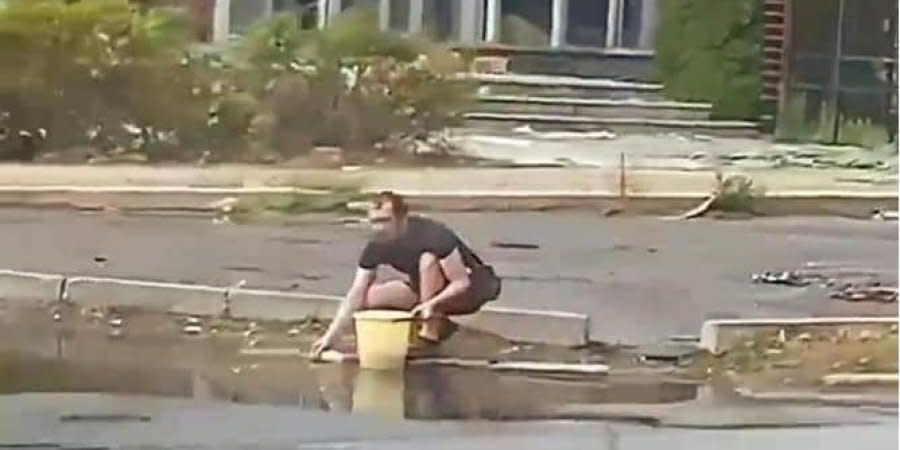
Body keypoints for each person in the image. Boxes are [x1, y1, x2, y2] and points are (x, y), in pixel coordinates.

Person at [310, 191, 501, 358]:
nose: (379, 228)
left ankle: (430, 334)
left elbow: (461, 282)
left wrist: (430, 304)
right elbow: (356, 292)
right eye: (374, 222)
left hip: (473, 288)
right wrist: (330, 337)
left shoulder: (433, 235)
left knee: (428, 260)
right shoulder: (376, 245)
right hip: (428, 289)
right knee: (368, 297)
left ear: (402, 218)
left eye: (385, 221)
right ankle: (442, 325)